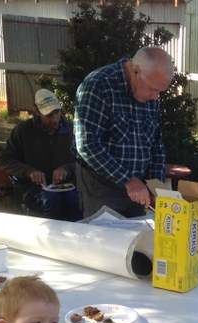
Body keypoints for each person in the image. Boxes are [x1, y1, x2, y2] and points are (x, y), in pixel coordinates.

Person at [74, 46, 174, 219]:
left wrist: (155, 186)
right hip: (102, 186)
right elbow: (87, 144)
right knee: (105, 241)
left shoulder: (148, 91)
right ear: (135, 71)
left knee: (137, 238)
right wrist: (128, 180)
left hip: (138, 186)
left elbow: (156, 144)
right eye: (153, 89)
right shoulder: (99, 85)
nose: (155, 97)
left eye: (160, 92)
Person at [0, 89, 81, 221]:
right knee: (52, 201)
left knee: (76, 202)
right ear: (36, 111)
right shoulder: (23, 131)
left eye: (57, 113)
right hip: (35, 187)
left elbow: (85, 161)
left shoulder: (72, 130)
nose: (55, 119)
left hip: (68, 185)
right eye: (48, 115)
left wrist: (67, 169)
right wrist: (29, 172)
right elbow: (4, 159)